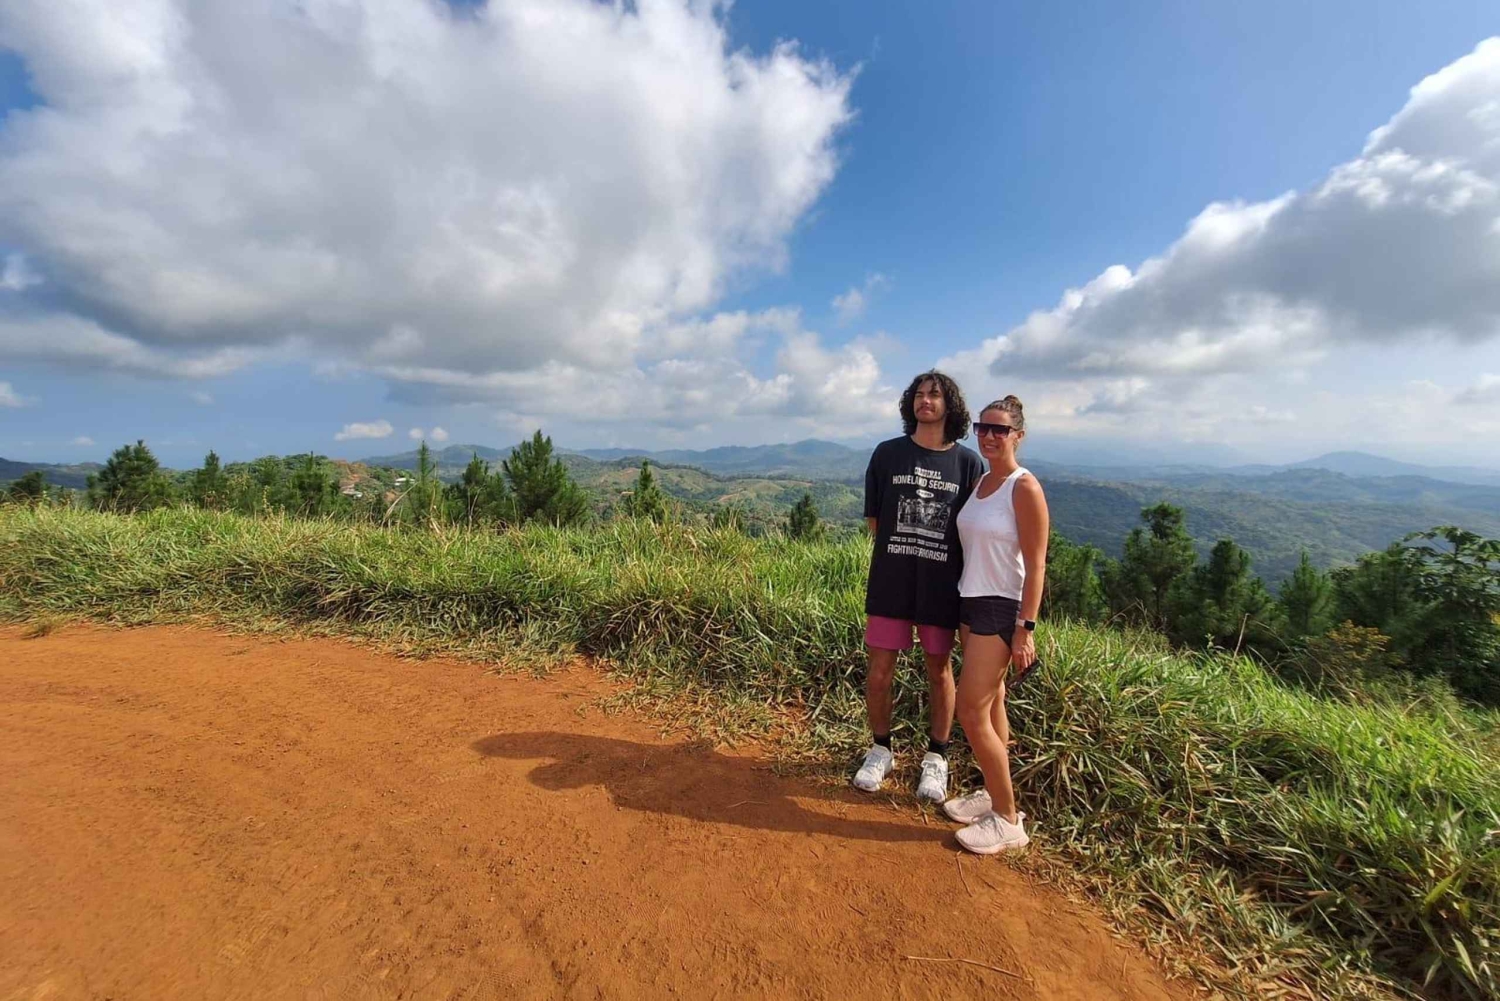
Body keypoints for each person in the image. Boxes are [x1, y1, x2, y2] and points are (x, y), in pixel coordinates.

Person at [854, 371, 984, 802]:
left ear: (951, 406)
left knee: (939, 669)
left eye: (935, 394)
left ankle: (937, 757)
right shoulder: (888, 454)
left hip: (941, 585)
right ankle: (880, 749)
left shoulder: (968, 464)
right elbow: (876, 522)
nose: (925, 401)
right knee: (879, 670)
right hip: (892, 579)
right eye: (920, 394)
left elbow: (970, 528)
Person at [941, 395, 1048, 854]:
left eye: (999, 429)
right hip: (971, 597)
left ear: (1018, 436)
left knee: (970, 710)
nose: (988, 435)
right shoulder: (984, 481)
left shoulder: (1024, 487)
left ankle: (1007, 819)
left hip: (1000, 607)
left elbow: (1038, 564)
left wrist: (1026, 627)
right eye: (982, 428)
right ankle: (992, 791)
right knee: (993, 702)